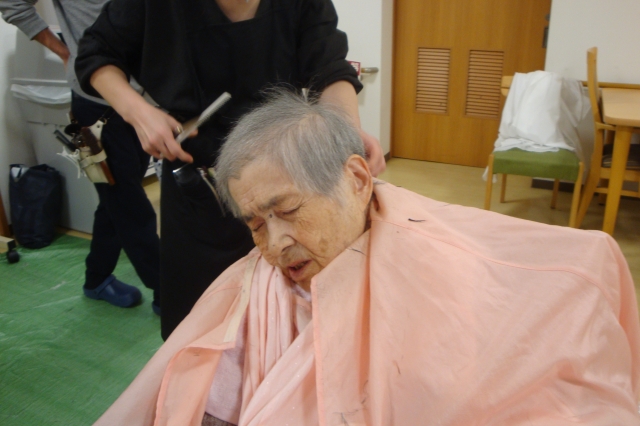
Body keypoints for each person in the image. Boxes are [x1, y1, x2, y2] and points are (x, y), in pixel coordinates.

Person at [92, 91, 640, 426]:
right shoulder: (254, 284)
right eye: (255, 224)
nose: (275, 244)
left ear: (357, 180)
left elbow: (581, 268)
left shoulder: (434, 249)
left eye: (288, 210)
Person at [75, 0, 386, 340]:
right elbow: (96, 54)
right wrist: (137, 112)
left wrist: (344, 133)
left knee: (286, 323)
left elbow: (329, 68)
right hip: (197, 182)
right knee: (200, 326)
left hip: (282, 174)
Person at [0, 0, 160, 312]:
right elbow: (11, 3)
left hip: (141, 97)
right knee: (130, 205)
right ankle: (167, 291)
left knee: (116, 198)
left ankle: (96, 278)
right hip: (98, 103)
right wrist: (64, 52)